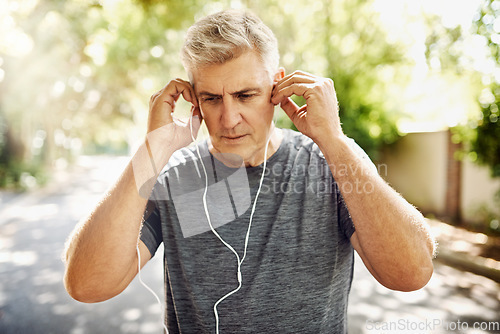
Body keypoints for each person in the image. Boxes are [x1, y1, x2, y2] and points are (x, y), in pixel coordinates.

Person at [63, 9, 436, 333]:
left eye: (245, 95)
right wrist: (151, 151)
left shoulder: (330, 164)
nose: (228, 119)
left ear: (278, 85)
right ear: (193, 99)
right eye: (211, 98)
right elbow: (87, 284)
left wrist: (335, 141)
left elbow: (411, 273)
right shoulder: (173, 176)